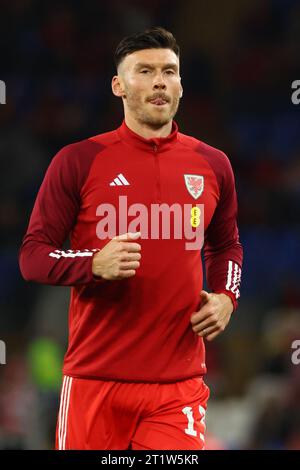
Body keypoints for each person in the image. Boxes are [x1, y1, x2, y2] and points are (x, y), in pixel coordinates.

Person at [19, 26, 243, 450]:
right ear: (118, 85)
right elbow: (32, 257)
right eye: (145, 70)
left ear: (180, 84)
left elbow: (226, 244)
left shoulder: (213, 164)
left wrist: (226, 297)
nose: (160, 80)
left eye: (169, 71)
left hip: (178, 387)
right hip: (94, 382)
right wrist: (92, 265)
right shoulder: (78, 161)